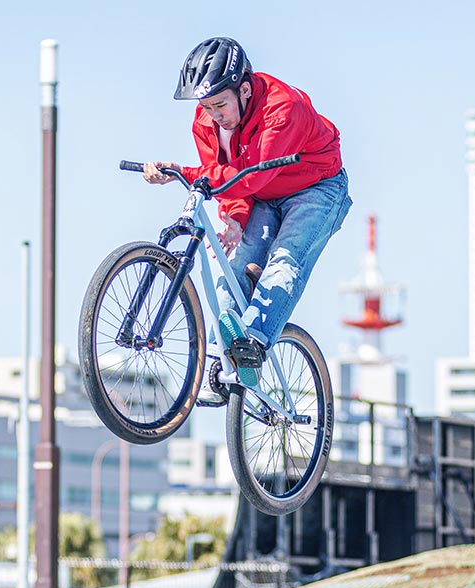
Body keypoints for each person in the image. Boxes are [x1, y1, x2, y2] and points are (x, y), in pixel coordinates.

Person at [143, 37, 351, 400]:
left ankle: (254, 342)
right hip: (262, 194)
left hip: (317, 188)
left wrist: (181, 171)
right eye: (207, 107)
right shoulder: (206, 120)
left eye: (221, 105)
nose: (213, 115)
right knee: (231, 268)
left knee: (285, 262)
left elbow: (249, 175)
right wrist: (235, 218)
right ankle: (231, 359)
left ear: (244, 89)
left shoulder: (283, 107)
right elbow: (222, 174)